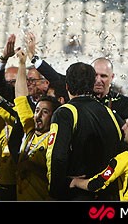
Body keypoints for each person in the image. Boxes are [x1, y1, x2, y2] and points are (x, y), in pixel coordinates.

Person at [46, 62, 123, 201]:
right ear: (93, 84)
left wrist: (56, 189)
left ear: (67, 86)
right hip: (107, 195)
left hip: (76, 194)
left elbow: (57, 156)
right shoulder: (109, 113)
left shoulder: (65, 113)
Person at [14, 48, 60, 200]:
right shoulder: (30, 130)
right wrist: (22, 64)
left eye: (45, 112)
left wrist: (31, 167)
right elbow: (21, 97)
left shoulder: (54, 139)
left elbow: (58, 177)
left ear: (53, 116)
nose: (38, 116)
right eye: (37, 111)